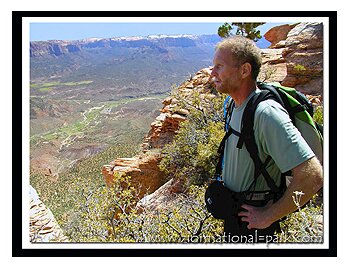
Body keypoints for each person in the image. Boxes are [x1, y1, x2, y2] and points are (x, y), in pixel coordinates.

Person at [210, 36, 323, 243]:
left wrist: (267, 216)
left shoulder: (266, 114)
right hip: (236, 214)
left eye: (219, 66)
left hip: (255, 225)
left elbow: (313, 175)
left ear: (244, 71)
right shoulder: (232, 104)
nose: (212, 74)